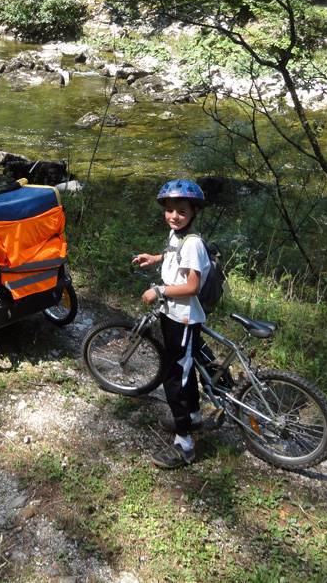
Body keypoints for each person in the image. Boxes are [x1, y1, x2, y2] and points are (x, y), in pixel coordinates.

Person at [132, 178, 215, 469]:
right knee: (184, 370)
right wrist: (154, 258)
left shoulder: (193, 243)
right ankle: (192, 416)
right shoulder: (176, 235)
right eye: (169, 210)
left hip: (183, 317)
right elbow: (172, 255)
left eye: (181, 211)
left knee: (175, 379)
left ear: (193, 211)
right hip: (172, 315)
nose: (174, 216)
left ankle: (185, 445)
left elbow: (192, 286)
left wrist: (160, 290)